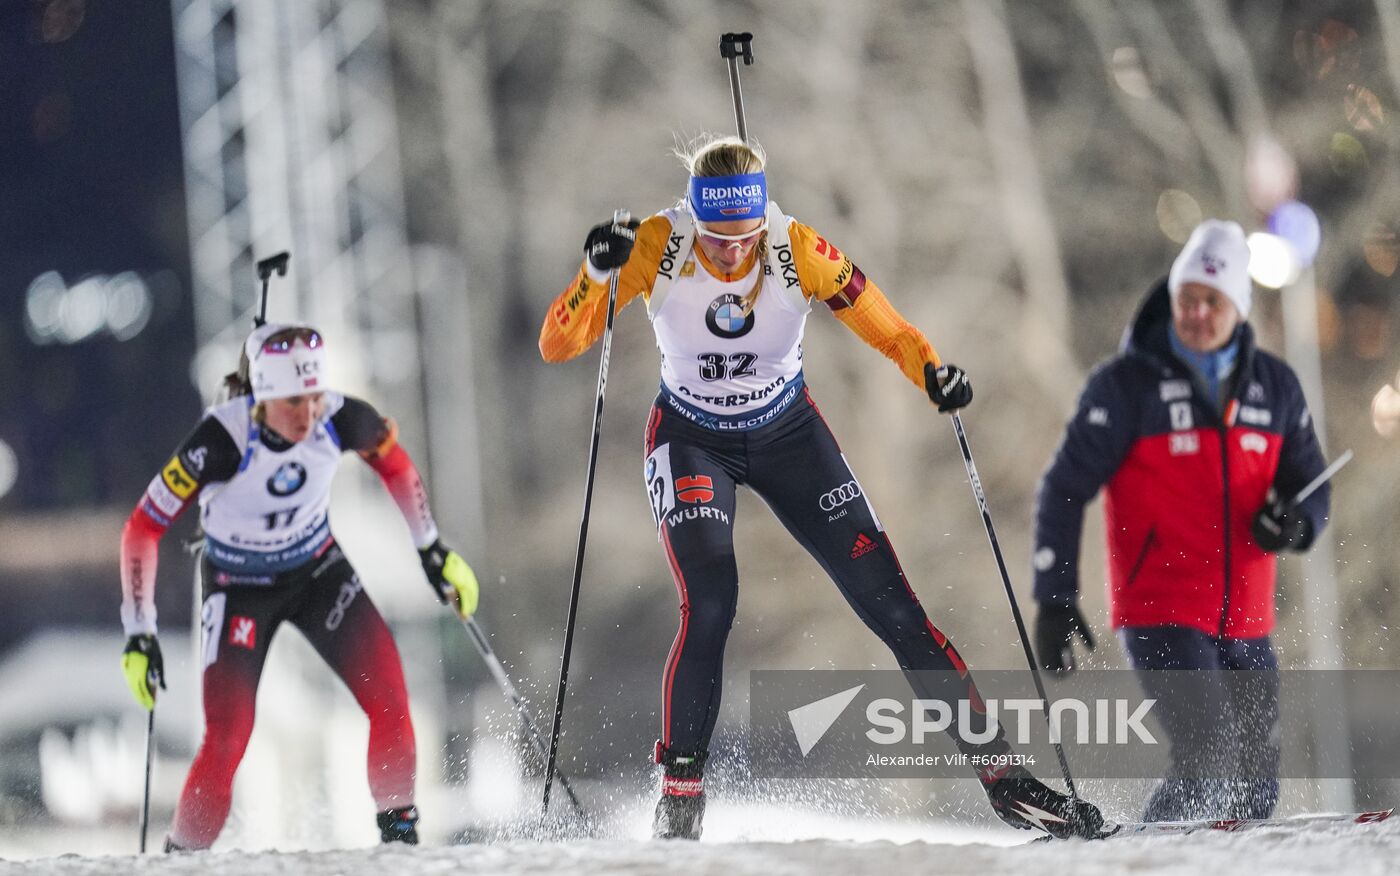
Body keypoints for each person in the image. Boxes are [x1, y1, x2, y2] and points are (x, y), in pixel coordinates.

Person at [538, 135, 1103, 841]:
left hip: (789, 437)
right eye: (714, 240)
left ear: (762, 219)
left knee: (896, 609)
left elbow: (890, 329)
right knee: (712, 599)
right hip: (691, 438)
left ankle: (1006, 778)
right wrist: (596, 274)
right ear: (693, 220)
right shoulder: (657, 243)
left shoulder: (796, 247)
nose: (729, 255)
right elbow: (559, 344)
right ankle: (681, 792)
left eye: (742, 238)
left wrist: (933, 374)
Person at [118, 322, 480, 850]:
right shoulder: (221, 439)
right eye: (292, 403)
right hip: (238, 588)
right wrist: (139, 633)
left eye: (313, 397)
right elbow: (142, 529)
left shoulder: (341, 416)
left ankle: (401, 841)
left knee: (390, 700)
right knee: (227, 740)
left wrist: (432, 549)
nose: (308, 414)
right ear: (262, 398)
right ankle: (179, 859)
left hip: (318, 574)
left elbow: (396, 468)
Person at [1031, 219, 1331, 821]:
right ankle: (1141, 858)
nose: (1195, 312)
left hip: (1248, 618)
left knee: (1255, 783)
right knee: (1210, 759)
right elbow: (1064, 487)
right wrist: (1055, 594)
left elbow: (1314, 487)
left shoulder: (1276, 387)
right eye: (1185, 298)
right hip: (1161, 608)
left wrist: (1294, 524)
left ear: (1239, 309)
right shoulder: (1125, 387)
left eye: (1211, 301)